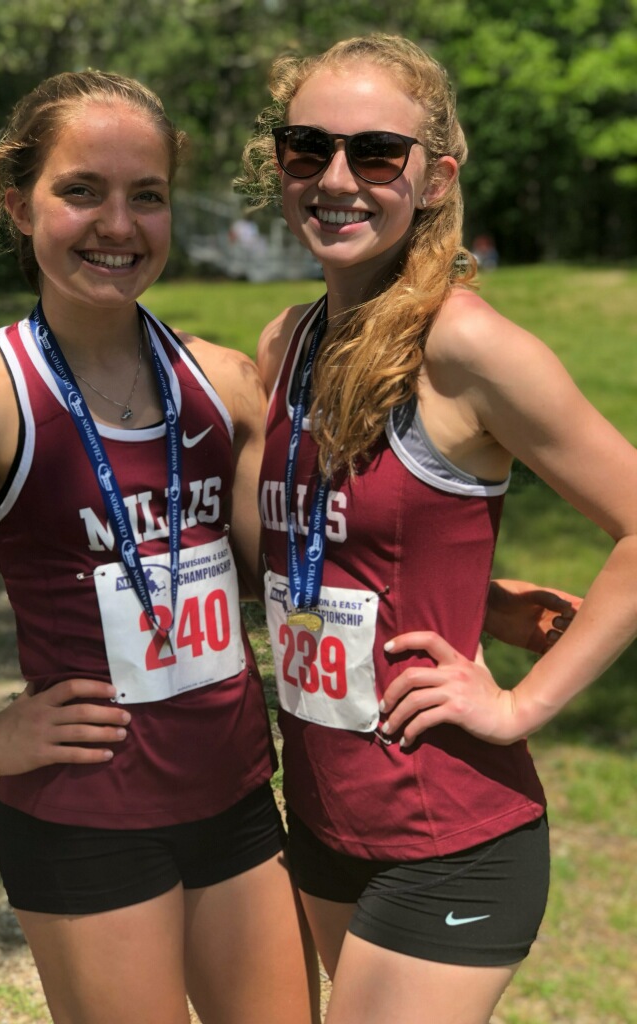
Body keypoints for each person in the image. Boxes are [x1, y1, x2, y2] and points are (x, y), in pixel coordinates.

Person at [0, 71, 316, 1024]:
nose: (118, 223)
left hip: (238, 800)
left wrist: (480, 605)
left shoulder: (222, 381)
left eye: (145, 195)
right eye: (82, 190)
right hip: (87, 827)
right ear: (18, 206)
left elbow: (289, 563)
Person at [237, 33, 637, 1024]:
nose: (337, 179)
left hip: (451, 827)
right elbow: (306, 550)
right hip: (326, 816)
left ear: (434, 174)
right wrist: (478, 599)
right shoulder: (287, 342)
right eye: (307, 150)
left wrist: (520, 706)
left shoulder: (463, 346)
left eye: (375, 153)